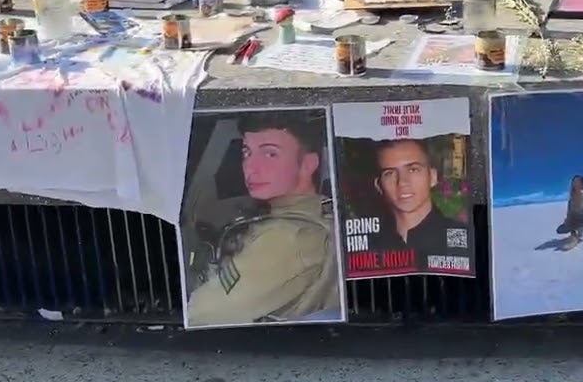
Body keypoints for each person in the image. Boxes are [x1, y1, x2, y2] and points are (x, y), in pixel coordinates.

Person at [186, 112, 340, 327]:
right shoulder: (322, 211)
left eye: (270, 154)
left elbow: (200, 314)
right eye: (247, 153)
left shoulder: (289, 238)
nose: (251, 167)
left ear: (308, 164)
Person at [371, 139, 461, 257]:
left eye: (413, 170)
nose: (402, 182)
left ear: (432, 177)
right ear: (378, 186)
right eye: (390, 173)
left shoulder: (461, 238)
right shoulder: (370, 245)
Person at [555, 175, 583, 249]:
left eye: (578, 181)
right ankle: (577, 230)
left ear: (582, 183)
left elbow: (580, 210)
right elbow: (569, 210)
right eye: (574, 182)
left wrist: (570, 221)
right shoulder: (572, 197)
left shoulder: (582, 194)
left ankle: (575, 235)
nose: (576, 183)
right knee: (560, 230)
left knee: (572, 223)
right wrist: (567, 220)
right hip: (574, 217)